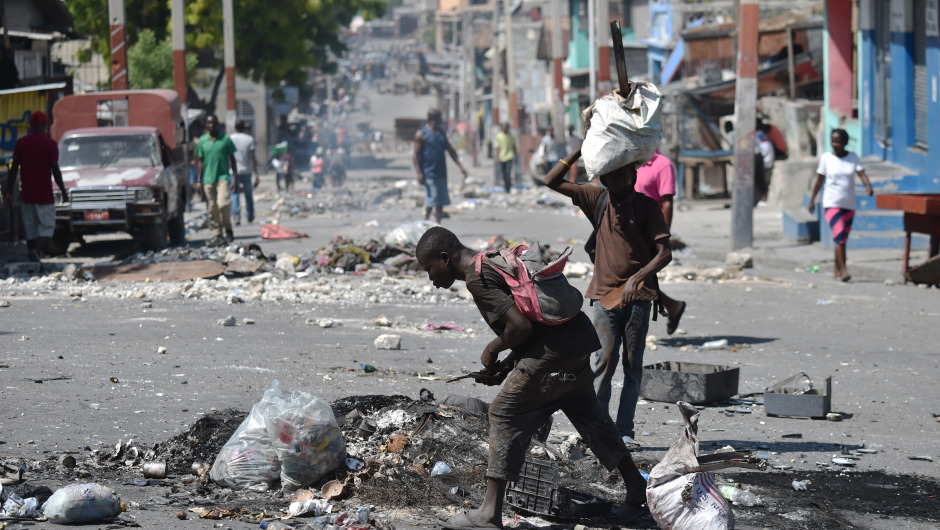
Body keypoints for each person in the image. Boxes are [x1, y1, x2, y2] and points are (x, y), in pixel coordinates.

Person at [416, 226, 649, 529]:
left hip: (555, 353)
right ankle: (636, 489)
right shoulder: (492, 260)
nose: (430, 278)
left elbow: (520, 328)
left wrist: (491, 351)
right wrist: (510, 363)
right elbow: (533, 325)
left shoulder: (476, 277)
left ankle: (488, 514)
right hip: (576, 342)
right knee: (591, 419)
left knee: (502, 413)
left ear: (445, 258)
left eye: (429, 269)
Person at [543, 148, 672, 448]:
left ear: (633, 175)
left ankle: (625, 429)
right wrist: (580, 148)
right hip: (603, 298)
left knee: (632, 366)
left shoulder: (647, 207)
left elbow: (665, 253)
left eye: (621, 173)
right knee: (603, 362)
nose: (615, 180)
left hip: (639, 298)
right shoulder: (596, 199)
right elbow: (550, 180)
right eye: (608, 175)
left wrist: (637, 279)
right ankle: (599, 430)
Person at [808, 129, 873, 282]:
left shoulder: (853, 157)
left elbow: (861, 173)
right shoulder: (826, 158)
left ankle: (836, 269)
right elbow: (819, 181)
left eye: (838, 141)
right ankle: (844, 271)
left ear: (845, 142)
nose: (835, 145)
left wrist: (868, 186)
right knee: (839, 234)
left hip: (848, 204)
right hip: (831, 203)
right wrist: (812, 199)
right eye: (833, 141)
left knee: (842, 238)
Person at [634, 150, 687, 335]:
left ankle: (671, 307)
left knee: (639, 278)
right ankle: (673, 306)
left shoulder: (662, 164)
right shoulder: (630, 161)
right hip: (630, 231)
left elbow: (667, 203)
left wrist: (662, 237)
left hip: (649, 231)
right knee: (638, 277)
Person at [2, 111, 67, 262]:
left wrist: (7, 192)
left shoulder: (21, 143)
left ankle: (33, 253)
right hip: (44, 194)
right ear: (44, 125)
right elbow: (55, 169)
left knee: (30, 228)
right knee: (47, 227)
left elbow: (13, 169)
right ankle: (36, 251)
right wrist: (63, 190)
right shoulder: (50, 144)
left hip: (27, 193)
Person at [412, 109, 468, 223]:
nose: (441, 120)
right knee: (432, 199)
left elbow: (450, 150)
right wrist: (419, 173)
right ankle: (426, 223)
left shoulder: (441, 133)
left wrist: (461, 167)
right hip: (429, 172)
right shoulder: (421, 134)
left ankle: (438, 226)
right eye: (439, 118)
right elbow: (415, 156)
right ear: (433, 119)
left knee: (440, 201)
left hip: (441, 172)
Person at [195, 115, 237, 247]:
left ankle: (228, 230)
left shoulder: (225, 139)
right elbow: (200, 162)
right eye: (209, 123)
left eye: (213, 123)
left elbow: (232, 159)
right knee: (212, 207)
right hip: (207, 179)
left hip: (223, 177)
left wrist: (235, 177)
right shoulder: (202, 141)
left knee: (223, 204)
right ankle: (217, 234)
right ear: (206, 125)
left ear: (217, 124)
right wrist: (198, 180)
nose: (211, 125)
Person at [229, 120, 260, 226]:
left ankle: (236, 216)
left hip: (233, 172)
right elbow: (252, 157)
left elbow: (228, 157)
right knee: (248, 194)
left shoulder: (230, 138)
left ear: (235, 127)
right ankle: (250, 215)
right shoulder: (249, 139)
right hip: (246, 170)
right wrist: (256, 173)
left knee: (234, 194)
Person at [495, 123, 516, 193]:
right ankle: (506, 186)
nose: (505, 129)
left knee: (508, 173)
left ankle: (508, 187)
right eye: (503, 128)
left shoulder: (511, 136)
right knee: (503, 174)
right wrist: (496, 157)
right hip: (502, 157)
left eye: (506, 128)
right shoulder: (499, 136)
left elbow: (514, 146)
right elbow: (497, 147)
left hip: (509, 156)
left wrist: (516, 156)